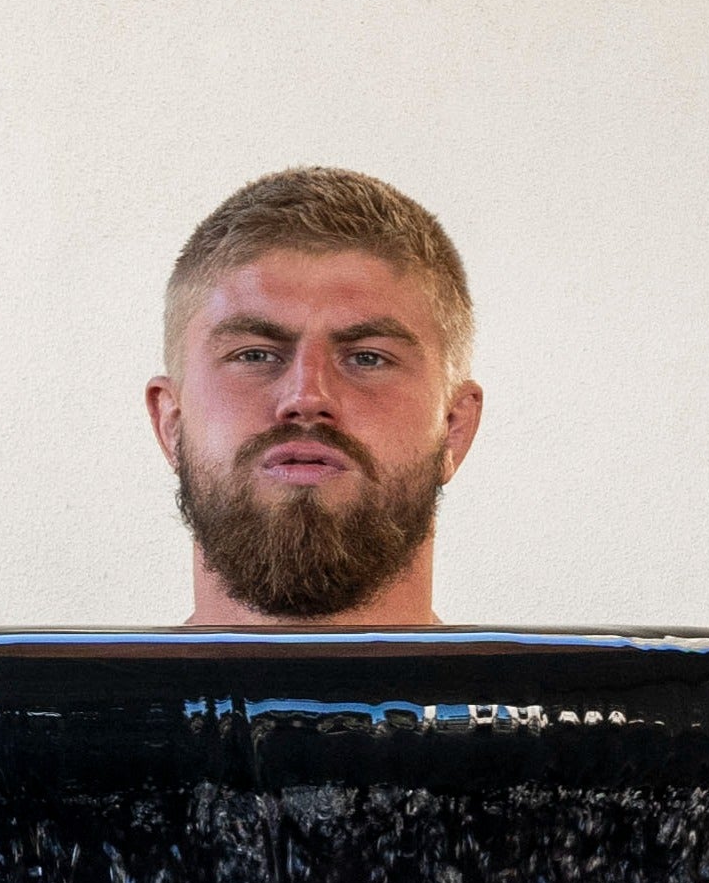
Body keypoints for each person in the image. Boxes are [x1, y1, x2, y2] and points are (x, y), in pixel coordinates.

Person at [146, 167, 483, 628]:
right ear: (171, 422)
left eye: (367, 358)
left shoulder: (585, 700)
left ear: (453, 427)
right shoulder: (34, 701)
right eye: (256, 354)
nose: (306, 396)